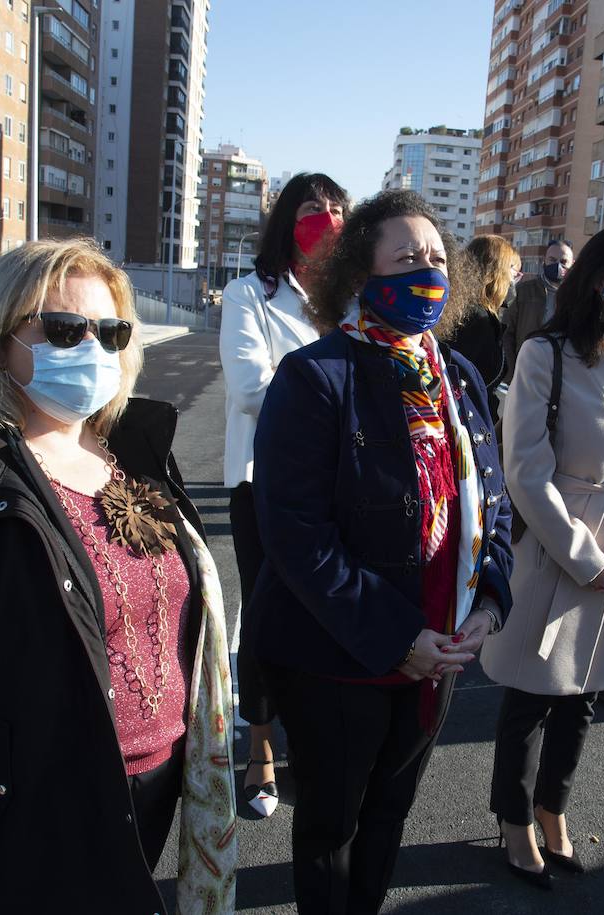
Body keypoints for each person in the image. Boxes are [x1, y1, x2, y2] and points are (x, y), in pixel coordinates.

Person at [0, 239, 236, 914]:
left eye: (110, 333)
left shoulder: (133, 453)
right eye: (62, 329)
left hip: (150, 791)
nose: (91, 348)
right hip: (28, 809)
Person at [248, 190, 514, 914]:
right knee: (332, 825)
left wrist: (490, 602)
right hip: (338, 655)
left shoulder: (457, 376)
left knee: (391, 812)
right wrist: (398, 638)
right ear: (361, 276)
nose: (427, 272)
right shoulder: (316, 376)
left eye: (437, 258)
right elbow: (296, 535)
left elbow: (493, 504)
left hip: (442, 650)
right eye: (406, 259)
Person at [479, 221, 604, 887]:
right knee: (532, 695)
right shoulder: (548, 352)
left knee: (584, 693)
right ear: (599, 277)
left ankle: (553, 807)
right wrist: (586, 558)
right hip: (558, 539)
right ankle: (514, 817)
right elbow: (525, 470)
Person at [218, 171, 349, 818]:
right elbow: (250, 388)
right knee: (268, 616)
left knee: (327, 615)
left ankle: (312, 743)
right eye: (311, 208)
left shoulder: (354, 297)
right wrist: (340, 399)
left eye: (337, 208)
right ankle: (260, 748)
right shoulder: (250, 294)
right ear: (285, 222)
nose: (326, 218)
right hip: (265, 482)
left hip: (341, 486)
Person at [448, 233, 519, 413]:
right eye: (512, 269)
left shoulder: (464, 309)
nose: (515, 278)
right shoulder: (477, 319)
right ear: (495, 271)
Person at [501, 239, 574, 383]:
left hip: (561, 378)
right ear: (544, 260)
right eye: (552, 260)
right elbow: (506, 334)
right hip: (526, 372)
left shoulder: (577, 298)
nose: (558, 265)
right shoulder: (523, 291)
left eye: (563, 261)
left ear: (572, 264)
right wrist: (512, 374)